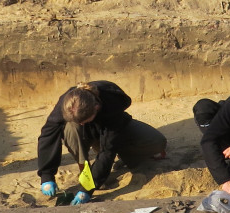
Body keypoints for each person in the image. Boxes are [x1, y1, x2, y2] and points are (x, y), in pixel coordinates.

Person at [36, 81, 167, 205]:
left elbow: (107, 151)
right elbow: (48, 133)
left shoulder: (112, 104)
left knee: (157, 142)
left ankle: (123, 157)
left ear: (96, 108)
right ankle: (85, 171)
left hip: (112, 129)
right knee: (71, 127)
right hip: (87, 134)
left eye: (84, 121)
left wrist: (87, 190)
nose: (81, 124)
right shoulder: (68, 102)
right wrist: (46, 175)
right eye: (80, 122)